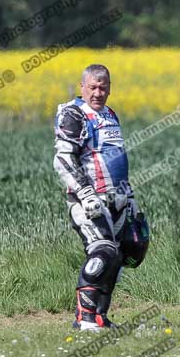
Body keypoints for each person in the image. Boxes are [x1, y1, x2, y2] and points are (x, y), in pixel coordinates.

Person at [53, 64, 149, 331]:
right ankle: (83, 319)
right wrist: (85, 193)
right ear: (82, 87)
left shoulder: (110, 114)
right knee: (103, 251)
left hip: (116, 199)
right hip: (89, 200)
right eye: (93, 87)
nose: (98, 92)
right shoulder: (74, 113)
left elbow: (115, 157)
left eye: (103, 87)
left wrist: (129, 197)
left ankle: (100, 317)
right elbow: (62, 159)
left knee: (119, 257)